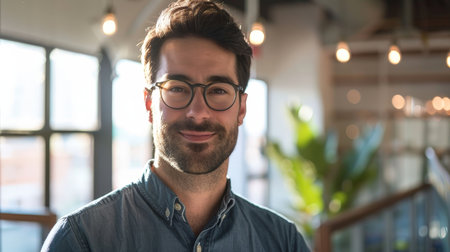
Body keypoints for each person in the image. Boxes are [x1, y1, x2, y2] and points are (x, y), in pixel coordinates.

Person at [41, 0, 310, 251]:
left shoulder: (282, 241)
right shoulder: (81, 239)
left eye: (218, 90)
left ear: (241, 108)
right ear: (149, 103)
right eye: (178, 88)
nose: (198, 112)